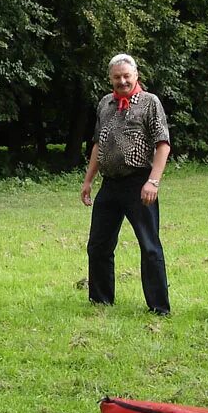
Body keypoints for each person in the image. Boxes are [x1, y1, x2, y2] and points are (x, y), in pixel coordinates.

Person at [80, 54, 171, 315]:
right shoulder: (105, 104)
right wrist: (88, 181)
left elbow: (163, 144)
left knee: (149, 245)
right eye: (117, 77)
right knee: (98, 245)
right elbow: (98, 143)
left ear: (136, 75)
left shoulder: (149, 102)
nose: (122, 81)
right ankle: (100, 300)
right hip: (109, 185)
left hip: (139, 182)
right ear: (110, 78)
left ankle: (158, 307)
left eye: (126, 76)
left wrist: (153, 181)